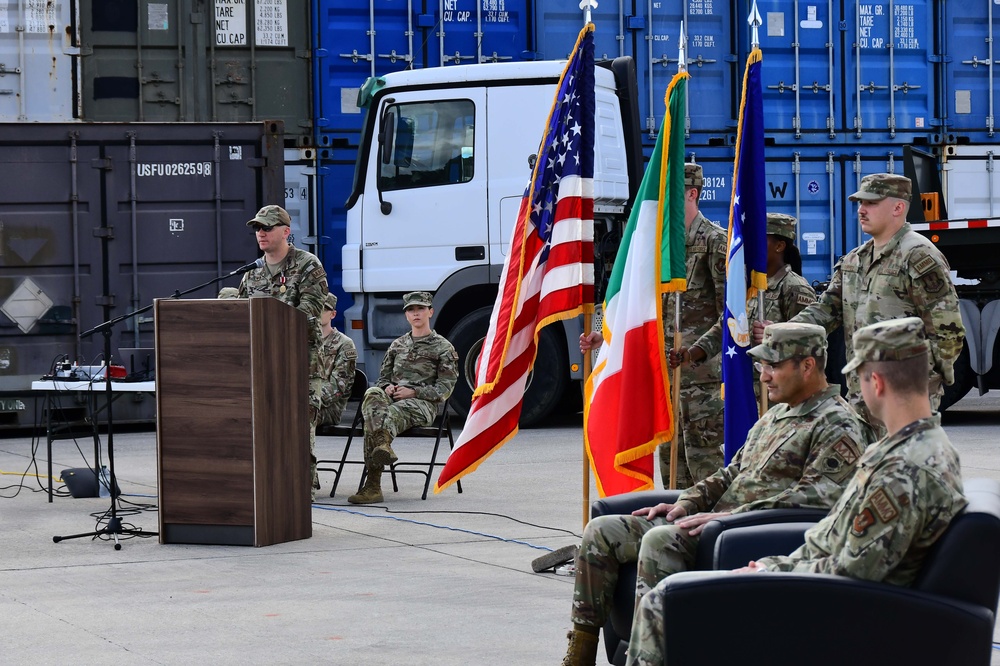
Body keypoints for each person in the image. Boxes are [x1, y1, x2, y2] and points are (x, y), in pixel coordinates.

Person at [626, 317, 967, 666]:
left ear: (875, 382)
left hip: (832, 613)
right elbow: (835, 540)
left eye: (857, 377)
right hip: (825, 597)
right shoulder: (911, 451)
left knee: (662, 602)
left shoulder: (903, 470)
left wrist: (768, 574)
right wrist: (771, 565)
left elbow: (852, 571)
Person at [560, 323, 870, 666]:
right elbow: (732, 472)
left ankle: (648, 659)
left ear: (808, 366)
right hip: (710, 522)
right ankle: (580, 655)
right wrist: (687, 501)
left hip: (746, 531)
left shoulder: (837, 422)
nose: (764, 377)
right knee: (602, 530)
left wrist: (730, 517)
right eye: (762, 366)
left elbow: (819, 498)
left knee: (660, 541)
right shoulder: (777, 415)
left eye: (773, 366)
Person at [754, 174, 964, 431]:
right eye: (860, 203)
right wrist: (779, 332)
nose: (861, 210)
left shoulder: (919, 256)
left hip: (903, 397)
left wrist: (921, 381)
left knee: (902, 467)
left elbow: (948, 332)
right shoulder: (855, 259)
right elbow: (826, 311)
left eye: (871, 203)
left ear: (898, 208)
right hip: (861, 393)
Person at [581, 163, 727, 489]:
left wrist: (697, 351)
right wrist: (607, 338)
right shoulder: (658, 249)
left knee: (707, 472)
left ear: (692, 194)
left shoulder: (715, 243)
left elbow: (730, 315)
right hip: (662, 375)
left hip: (701, 383)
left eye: (673, 196)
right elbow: (640, 308)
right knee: (672, 472)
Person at [238, 205, 328, 496]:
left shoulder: (307, 265)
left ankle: (302, 488)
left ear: (286, 232)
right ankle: (266, 487)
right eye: (257, 229)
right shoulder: (251, 273)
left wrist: (270, 327)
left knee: (299, 425)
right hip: (261, 364)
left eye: (267, 227)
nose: (261, 233)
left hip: (301, 361)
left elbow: (309, 311)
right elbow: (239, 317)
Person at [347, 291, 459, 505]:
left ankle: (372, 485)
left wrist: (415, 392)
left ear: (430, 312)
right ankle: (382, 444)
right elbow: (382, 379)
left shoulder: (443, 347)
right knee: (372, 395)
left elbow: (445, 389)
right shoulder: (397, 345)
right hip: (393, 400)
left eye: (420, 309)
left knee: (382, 416)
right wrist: (387, 388)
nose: (416, 313)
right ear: (406, 315)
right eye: (411, 310)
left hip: (422, 404)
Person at [680, 213, 816, 369]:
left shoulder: (795, 288)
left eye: (757, 239)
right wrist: (691, 354)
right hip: (744, 385)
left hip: (776, 387)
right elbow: (726, 326)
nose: (750, 245)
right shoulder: (748, 285)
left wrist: (777, 335)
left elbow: (811, 343)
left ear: (779, 246)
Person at [309, 293, 357, 491]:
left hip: (329, 406)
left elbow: (338, 386)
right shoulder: (304, 340)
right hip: (303, 401)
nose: (318, 312)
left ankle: (307, 479)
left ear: (333, 314)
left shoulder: (343, 344)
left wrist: (310, 399)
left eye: (323, 309)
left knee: (301, 414)